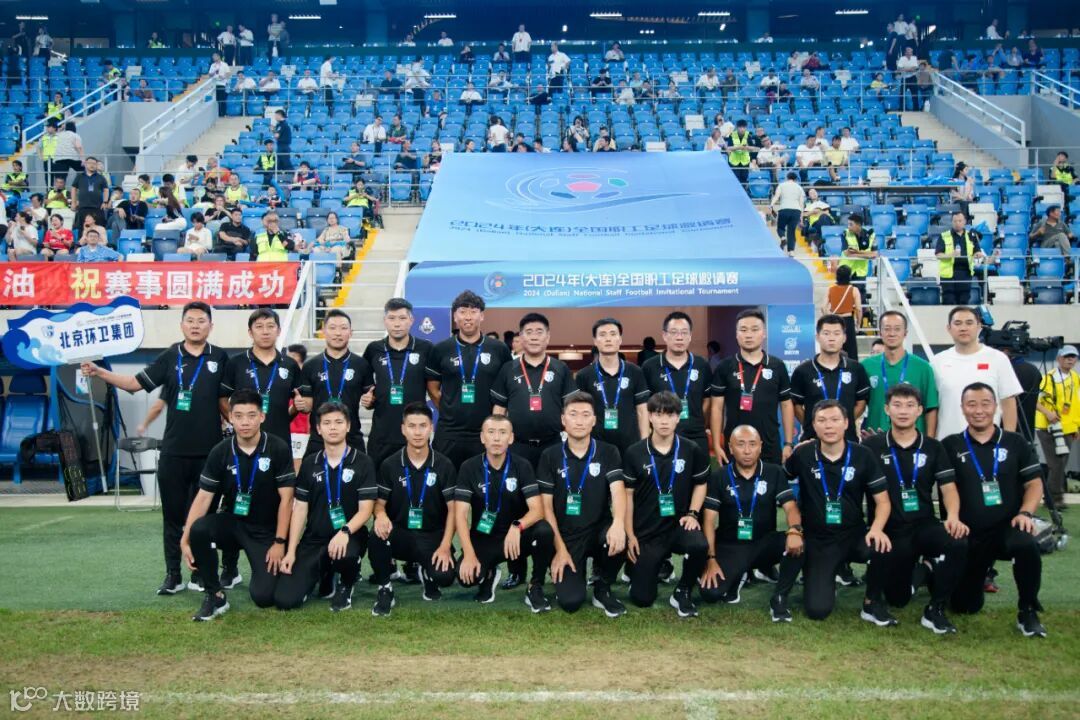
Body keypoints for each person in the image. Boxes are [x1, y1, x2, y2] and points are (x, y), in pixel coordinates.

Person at [81, 303, 229, 595]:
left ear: (211, 326)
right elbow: (133, 384)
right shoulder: (170, 356)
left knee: (203, 520)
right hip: (173, 452)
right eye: (190, 320)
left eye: (201, 321)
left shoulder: (220, 357)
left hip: (210, 455)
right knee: (172, 518)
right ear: (182, 325)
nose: (195, 325)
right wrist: (99, 372)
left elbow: (226, 402)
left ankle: (201, 574)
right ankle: (173, 575)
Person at [178, 389, 294, 621]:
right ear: (230, 417)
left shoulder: (278, 448)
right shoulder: (220, 451)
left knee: (264, 597)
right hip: (233, 524)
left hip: (266, 530)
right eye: (239, 416)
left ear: (262, 416)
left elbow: (287, 499)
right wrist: (185, 538)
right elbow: (203, 497)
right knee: (199, 530)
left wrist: (280, 542)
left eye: (251, 415)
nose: (245, 422)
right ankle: (215, 595)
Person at [942, 383, 1047, 637]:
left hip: (1007, 528)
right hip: (968, 533)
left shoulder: (1015, 442)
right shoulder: (951, 445)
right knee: (966, 607)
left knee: (1026, 544)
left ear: (996, 406)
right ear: (962, 408)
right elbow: (947, 488)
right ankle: (935, 575)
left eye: (985, 403)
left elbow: (1034, 484)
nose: (979, 410)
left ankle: (1027, 610)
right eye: (972, 404)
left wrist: (1025, 513)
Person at [862, 385, 969, 633]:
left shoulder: (933, 447)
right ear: (887, 409)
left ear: (920, 410)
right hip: (890, 529)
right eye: (897, 405)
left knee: (958, 540)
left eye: (910, 406)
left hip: (923, 525)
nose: (903, 411)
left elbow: (948, 488)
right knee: (898, 599)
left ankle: (935, 609)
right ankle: (926, 569)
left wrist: (953, 516)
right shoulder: (872, 447)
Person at [784, 400, 894, 623]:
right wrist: (794, 528)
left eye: (835, 420)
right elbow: (780, 480)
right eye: (822, 420)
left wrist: (876, 529)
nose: (829, 426)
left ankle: (871, 603)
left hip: (853, 534)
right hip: (819, 539)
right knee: (817, 610)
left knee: (882, 545)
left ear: (846, 423)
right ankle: (827, 575)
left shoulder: (863, 455)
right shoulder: (803, 454)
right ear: (813, 425)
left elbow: (883, 501)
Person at [276, 401, 377, 612]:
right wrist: (291, 551)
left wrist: (345, 531)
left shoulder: (363, 462)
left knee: (346, 555)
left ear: (348, 426)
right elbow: (300, 509)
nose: (333, 427)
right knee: (285, 600)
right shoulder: (309, 463)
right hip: (315, 537)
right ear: (318, 429)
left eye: (339, 422)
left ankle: (346, 583)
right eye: (327, 423)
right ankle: (325, 572)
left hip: (349, 535)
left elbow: (366, 510)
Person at [701, 425, 804, 621]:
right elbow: (708, 520)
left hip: (764, 543)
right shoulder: (719, 476)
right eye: (740, 444)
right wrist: (711, 559)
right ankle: (740, 573)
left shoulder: (774, 472)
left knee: (800, 543)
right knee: (711, 593)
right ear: (731, 448)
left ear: (760, 447)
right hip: (731, 545)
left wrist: (794, 530)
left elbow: (790, 507)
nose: (747, 451)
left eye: (752, 444)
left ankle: (780, 598)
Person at [539, 392, 628, 617]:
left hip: (599, 529)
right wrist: (560, 549)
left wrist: (618, 523)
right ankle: (569, 573)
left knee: (619, 537)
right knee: (571, 602)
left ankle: (602, 587)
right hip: (567, 536)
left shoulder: (609, 451)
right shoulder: (550, 455)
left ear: (594, 420)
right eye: (573, 414)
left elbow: (618, 491)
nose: (579, 421)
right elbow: (546, 508)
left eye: (586, 415)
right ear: (563, 419)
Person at [622, 391, 710, 617]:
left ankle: (683, 590)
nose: (664, 421)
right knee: (642, 598)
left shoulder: (691, 449)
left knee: (699, 545)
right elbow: (627, 496)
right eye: (658, 414)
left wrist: (692, 513)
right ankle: (649, 568)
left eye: (670, 415)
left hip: (678, 526)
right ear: (650, 416)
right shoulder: (634, 452)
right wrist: (630, 535)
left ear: (678, 418)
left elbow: (701, 484)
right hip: (648, 531)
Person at [454, 415, 555, 609]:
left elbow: (538, 510)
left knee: (544, 531)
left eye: (502, 433)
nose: (496, 438)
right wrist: (468, 554)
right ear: (482, 437)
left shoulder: (522, 465)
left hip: (515, 538)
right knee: (466, 578)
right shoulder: (469, 467)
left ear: (511, 438)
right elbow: (460, 515)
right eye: (491, 432)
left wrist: (517, 526)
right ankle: (489, 573)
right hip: (484, 538)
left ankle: (535, 586)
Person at [370, 403, 457, 616]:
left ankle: (427, 573)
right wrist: (380, 515)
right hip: (399, 533)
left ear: (431, 428)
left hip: (432, 535)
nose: (417, 432)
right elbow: (379, 504)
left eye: (423, 426)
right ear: (403, 429)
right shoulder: (389, 464)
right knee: (376, 535)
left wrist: (446, 545)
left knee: (445, 577)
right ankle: (385, 588)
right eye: (412, 426)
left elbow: (454, 510)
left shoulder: (444, 465)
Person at [426, 291, 512, 468]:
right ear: (454, 316)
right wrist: (448, 409)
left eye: (473, 312)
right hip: (449, 432)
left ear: (482, 316)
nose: (468, 317)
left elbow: (507, 387)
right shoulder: (441, 349)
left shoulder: (499, 349)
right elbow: (432, 387)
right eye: (463, 311)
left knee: (484, 481)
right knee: (446, 479)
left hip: (486, 432)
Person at [709, 308, 796, 465]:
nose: (749, 335)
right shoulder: (724, 367)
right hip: (734, 445)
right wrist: (716, 444)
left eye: (755, 329)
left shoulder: (777, 365)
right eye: (743, 330)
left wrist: (788, 443)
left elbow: (786, 405)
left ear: (764, 333)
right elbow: (716, 407)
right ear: (736, 334)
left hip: (769, 444)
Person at [491, 312, 576, 469]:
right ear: (521, 337)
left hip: (553, 445)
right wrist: (497, 438)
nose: (534, 337)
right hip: (517, 446)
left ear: (548, 337)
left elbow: (571, 408)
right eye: (529, 332)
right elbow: (499, 408)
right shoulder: (508, 369)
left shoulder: (561, 368)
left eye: (539, 332)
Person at [220, 308, 303, 460]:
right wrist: (236, 421)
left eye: (270, 326)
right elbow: (222, 398)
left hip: (280, 440)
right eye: (259, 327)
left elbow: (299, 400)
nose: (265, 332)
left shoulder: (290, 364)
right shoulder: (236, 363)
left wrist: (291, 412)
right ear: (250, 332)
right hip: (244, 443)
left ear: (278, 331)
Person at [360, 298, 434, 468]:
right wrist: (368, 399)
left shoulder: (426, 348)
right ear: (385, 320)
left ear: (411, 320)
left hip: (415, 434)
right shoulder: (374, 349)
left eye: (402, 318)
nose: (397, 324)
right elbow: (365, 385)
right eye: (392, 318)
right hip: (382, 434)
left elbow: (435, 385)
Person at [931, 306, 1023, 439]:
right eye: (958, 323)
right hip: (946, 442)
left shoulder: (998, 359)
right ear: (949, 328)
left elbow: (1008, 402)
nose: (963, 328)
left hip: (988, 443)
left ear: (979, 326)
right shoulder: (937, 362)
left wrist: (1008, 440)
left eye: (969, 323)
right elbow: (932, 408)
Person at [294, 309, 374, 457]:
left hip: (352, 436)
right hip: (319, 438)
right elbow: (307, 406)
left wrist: (370, 401)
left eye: (343, 328)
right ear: (324, 331)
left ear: (350, 332)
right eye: (332, 328)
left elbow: (370, 401)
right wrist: (301, 405)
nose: (338, 333)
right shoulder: (311, 365)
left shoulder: (362, 364)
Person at [574, 318, 650, 455]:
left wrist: (644, 445)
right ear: (595, 341)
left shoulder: (635, 372)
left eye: (613, 334)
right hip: (596, 447)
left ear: (620, 339)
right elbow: (580, 413)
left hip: (631, 446)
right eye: (602, 335)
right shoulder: (584, 375)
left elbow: (642, 411)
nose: (608, 339)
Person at [790, 314, 871, 443]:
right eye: (826, 333)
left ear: (844, 338)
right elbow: (795, 405)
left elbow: (861, 402)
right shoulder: (803, 371)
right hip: (813, 440)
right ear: (817, 337)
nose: (831, 338)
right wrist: (815, 423)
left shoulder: (856, 368)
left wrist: (841, 422)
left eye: (836, 333)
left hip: (847, 439)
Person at [641, 312, 711, 457]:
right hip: (661, 437)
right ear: (664, 335)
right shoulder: (649, 366)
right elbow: (644, 404)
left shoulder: (702, 364)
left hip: (696, 435)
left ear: (690, 336)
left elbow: (707, 399)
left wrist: (696, 420)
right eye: (674, 332)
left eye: (684, 332)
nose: (679, 337)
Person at [860, 311, 939, 436]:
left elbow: (931, 407)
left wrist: (929, 442)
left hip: (914, 439)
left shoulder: (923, 368)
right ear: (880, 332)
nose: (892, 333)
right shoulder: (866, 366)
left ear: (905, 333)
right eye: (887, 329)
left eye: (897, 329)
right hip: (876, 437)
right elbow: (858, 405)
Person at [1035, 345, 1080, 508]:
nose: (1070, 359)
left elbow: (1076, 403)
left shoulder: (1075, 377)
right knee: (1056, 464)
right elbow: (1035, 400)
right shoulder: (1048, 378)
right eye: (1067, 356)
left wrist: (1077, 426)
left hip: (1067, 427)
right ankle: (1054, 499)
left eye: (1073, 357)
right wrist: (1048, 413)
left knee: (1061, 464)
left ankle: (1053, 497)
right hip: (1048, 427)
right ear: (1059, 359)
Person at [935, 211, 987, 305]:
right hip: (948, 276)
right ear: (952, 222)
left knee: (964, 302)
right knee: (949, 302)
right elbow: (938, 255)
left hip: (965, 274)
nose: (957, 223)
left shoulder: (971, 236)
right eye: (955, 221)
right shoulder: (944, 236)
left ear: (964, 222)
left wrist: (978, 254)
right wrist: (951, 255)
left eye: (960, 221)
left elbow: (977, 251)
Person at [823, 265, 863, 361]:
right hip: (848, 321)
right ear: (849, 276)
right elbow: (859, 309)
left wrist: (829, 319)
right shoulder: (854, 290)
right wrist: (858, 324)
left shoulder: (830, 289)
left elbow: (823, 307)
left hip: (835, 321)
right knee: (851, 351)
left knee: (834, 349)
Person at [838, 214, 877, 300]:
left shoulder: (871, 235)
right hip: (846, 271)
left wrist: (856, 253)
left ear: (858, 225)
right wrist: (867, 255)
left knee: (860, 298)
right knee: (845, 298)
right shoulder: (845, 233)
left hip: (860, 272)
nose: (848, 227)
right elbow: (847, 253)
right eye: (848, 224)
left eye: (851, 224)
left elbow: (874, 254)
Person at [69, 156, 108, 234]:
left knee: (99, 228)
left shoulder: (101, 177)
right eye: (90, 163)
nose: (92, 165)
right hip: (83, 207)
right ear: (86, 164)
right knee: (82, 229)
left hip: (97, 207)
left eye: (94, 163)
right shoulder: (80, 176)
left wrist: (105, 201)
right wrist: (73, 202)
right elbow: (73, 188)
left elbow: (105, 189)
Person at [770, 172, 805, 255]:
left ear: (787, 177)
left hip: (784, 209)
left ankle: (783, 237)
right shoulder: (799, 188)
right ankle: (791, 251)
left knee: (780, 228)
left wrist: (771, 205)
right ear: (796, 179)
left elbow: (776, 196)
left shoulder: (781, 185)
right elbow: (801, 203)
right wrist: (801, 217)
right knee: (791, 231)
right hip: (796, 210)